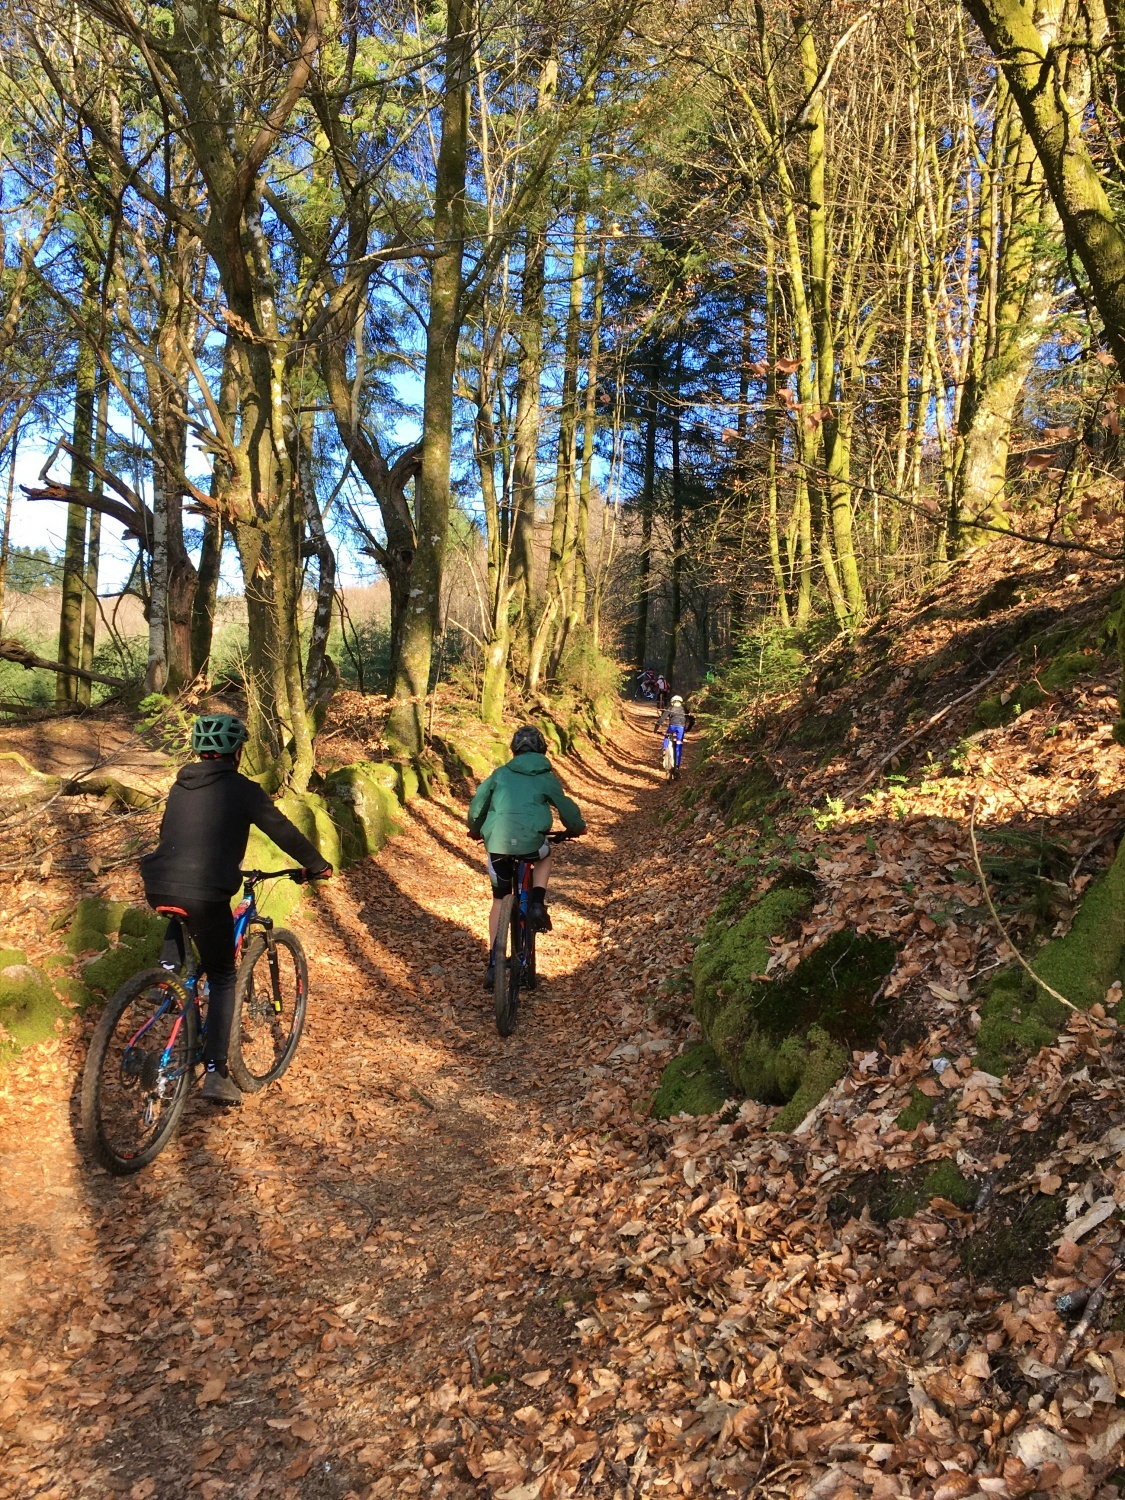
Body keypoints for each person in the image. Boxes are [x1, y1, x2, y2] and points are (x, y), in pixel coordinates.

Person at [140, 713, 332, 1107]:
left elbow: (173, 836)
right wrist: (317, 865)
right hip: (205, 892)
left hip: (158, 883)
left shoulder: (181, 785)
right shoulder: (242, 790)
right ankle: (217, 1072)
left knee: (183, 903)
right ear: (238, 751)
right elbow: (282, 830)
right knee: (225, 973)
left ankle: (168, 973)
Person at [467, 725, 586, 990]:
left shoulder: (499, 774)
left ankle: (494, 965)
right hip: (532, 844)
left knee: (499, 899)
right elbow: (566, 808)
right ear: (542, 749)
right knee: (545, 856)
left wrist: (475, 830)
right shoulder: (546, 776)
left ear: (514, 750)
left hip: (497, 845)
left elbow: (478, 804)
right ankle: (536, 903)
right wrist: (577, 828)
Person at [654, 694, 694, 771]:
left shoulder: (670, 708)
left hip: (672, 727)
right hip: (681, 729)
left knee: (667, 737)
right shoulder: (684, 709)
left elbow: (661, 720)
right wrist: (688, 729)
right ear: (681, 702)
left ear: (672, 702)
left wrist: (655, 729)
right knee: (679, 746)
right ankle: (677, 767)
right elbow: (692, 720)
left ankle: (665, 750)